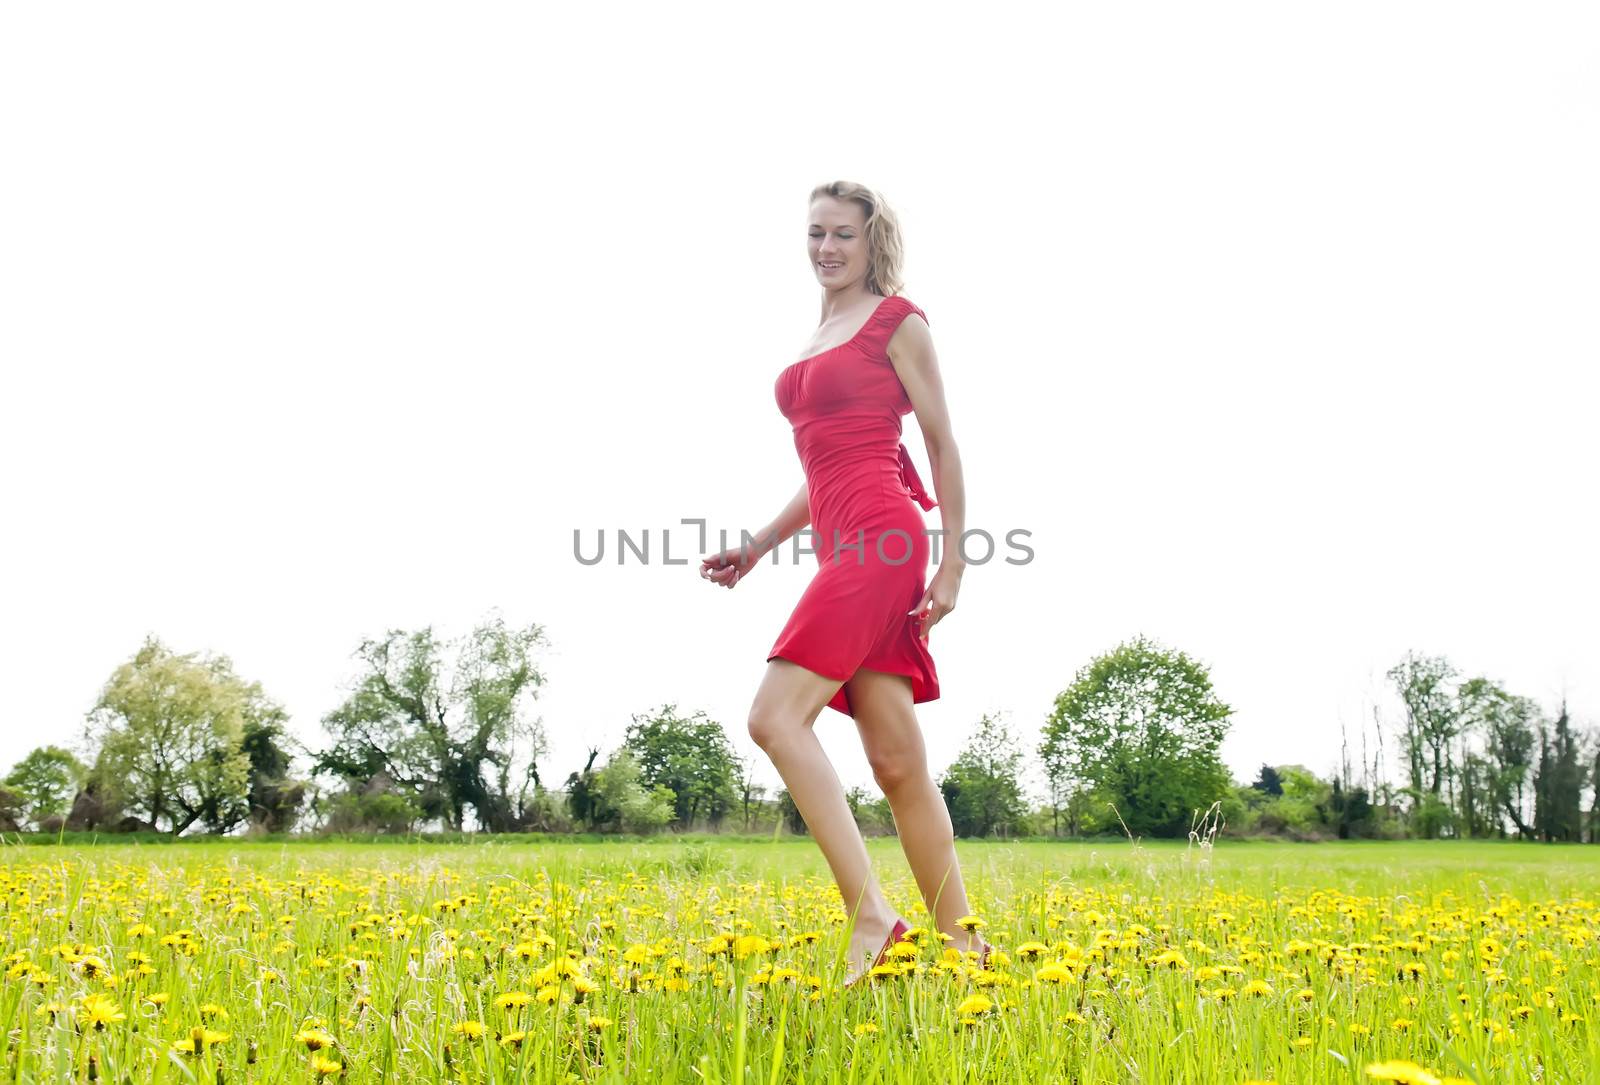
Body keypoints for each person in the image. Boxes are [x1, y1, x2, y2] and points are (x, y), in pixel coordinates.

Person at [699, 180, 992, 987]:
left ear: (873, 242)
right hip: (841, 549)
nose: (827, 249)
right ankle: (967, 950)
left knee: (773, 716)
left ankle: (871, 913)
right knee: (897, 763)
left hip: (884, 541)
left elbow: (942, 443)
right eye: (816, 234)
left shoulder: (898, 322)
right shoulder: (821, 332)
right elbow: (820, 465)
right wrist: (758, 546)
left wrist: (954, 562)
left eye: (843, 237)